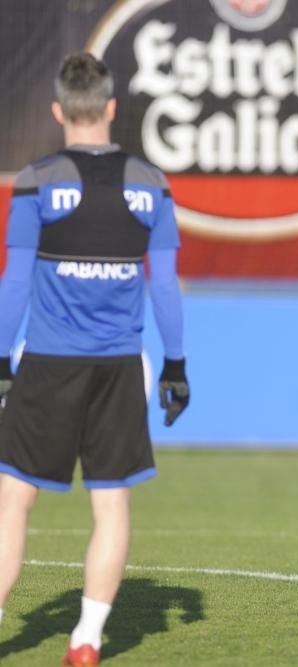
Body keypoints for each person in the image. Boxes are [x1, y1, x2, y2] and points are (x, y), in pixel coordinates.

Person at [0, 52, 189, 666]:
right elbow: (164, 285)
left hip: (49, 363)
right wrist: (176, 364)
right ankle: (86, 640)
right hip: (118, 368)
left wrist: (2, 358)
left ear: (58, 110)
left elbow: (15, 283)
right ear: (111, 108)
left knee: (13, 500)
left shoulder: (35, 179)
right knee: (110, 503)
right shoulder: (151, 183)